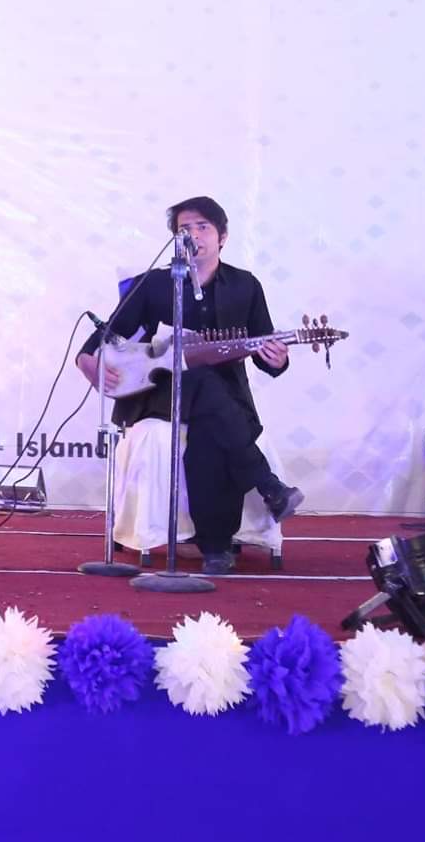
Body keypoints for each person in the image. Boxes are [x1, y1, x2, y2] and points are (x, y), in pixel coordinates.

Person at [75, 195, 303, 574]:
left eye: (202, 227)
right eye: (184, 229)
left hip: (225, 396)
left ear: (222, 236)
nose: (194, 235)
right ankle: (262, 491)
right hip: (159, 392)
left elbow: (264, 351)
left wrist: (277, 359)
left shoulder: (245, 286)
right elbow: (110, 334)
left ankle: (214, 547)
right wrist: (87, 360)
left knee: (211, 424)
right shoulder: (154, 284)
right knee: (200, 381)